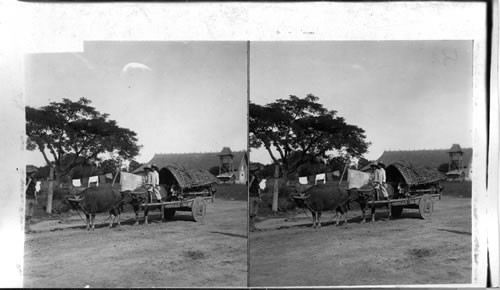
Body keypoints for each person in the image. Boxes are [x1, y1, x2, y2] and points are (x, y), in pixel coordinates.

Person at [249, 164, 262, 232]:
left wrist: (260, 197)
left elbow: (258, 187)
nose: (256, 172)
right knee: (250, 213)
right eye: (255, 171)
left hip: (256, 196)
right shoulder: (249, 177)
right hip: (250, 196)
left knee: (254, 213)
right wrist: (251, 180)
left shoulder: (256, 178)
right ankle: (250, 227)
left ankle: (253, 226)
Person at [25, 167, 38, 233]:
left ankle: (28, 228)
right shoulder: (25, 180)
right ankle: (25, 229)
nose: (34, 174)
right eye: (33, 173)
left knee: (30, 215)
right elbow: (24, 189)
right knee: (26, 214)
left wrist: (35, 198)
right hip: (27, 197)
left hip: (32, 197)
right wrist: (28, 182)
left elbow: (34, 190)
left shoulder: (33, 180)